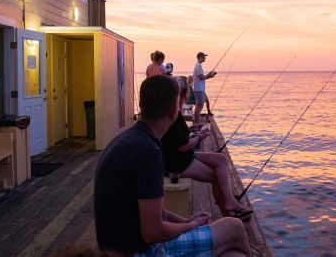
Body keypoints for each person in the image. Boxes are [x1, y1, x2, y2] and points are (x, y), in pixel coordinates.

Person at [94, 75, 251, 256]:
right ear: (174, 111)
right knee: (234, 227)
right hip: (137, 251)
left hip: (120, 247)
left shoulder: (131, 139)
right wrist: (191, 226)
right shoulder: (147, 152)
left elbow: (156, 211)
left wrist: (185, 221)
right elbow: (153, 232)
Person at [162, 77, 254, 221]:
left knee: (221, 159)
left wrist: (191, 129)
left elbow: (175, 138)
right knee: (215, 176)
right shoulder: (174, 113)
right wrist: (200, 137)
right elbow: (182, 146)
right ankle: (228, 214)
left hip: (179, 156)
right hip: (176, 162)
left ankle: (230, 202)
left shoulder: (173, 110)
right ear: (186, 94)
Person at [192, 52, 216, 124]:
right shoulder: (198, 66)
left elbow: (202, 78)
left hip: (199, 88)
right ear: (200, 58)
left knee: (198, 105)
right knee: (200, 105)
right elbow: (201, 77)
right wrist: (208, 74)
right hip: (199, 89)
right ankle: (196, 122)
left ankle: (195, 121)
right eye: (203, 57)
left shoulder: (198, 65)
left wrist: (210, 76)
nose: (205, 58)